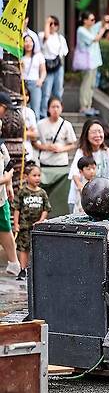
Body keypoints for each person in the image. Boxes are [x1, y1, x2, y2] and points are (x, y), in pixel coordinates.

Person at [13, 164, 51, 280]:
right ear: (26, 177)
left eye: (39, 175)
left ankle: (36, 269)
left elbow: (46, 209)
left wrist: (41, 221)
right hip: (25, 227)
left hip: (37, 228)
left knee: (38, 248)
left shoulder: (42, 193)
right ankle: (23, 269)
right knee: (24, 249)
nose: (37, 178)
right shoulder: (22, 192)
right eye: (34, 175)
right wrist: (16, 224)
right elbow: (17, 209)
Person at [68, 118, 109, 213]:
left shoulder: (107, 152)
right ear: (86, 134)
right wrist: (82, 188)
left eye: (100, 132)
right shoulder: (81, 152)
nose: (97, 135)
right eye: (93, 132)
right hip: (82, 198)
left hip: (102, 196)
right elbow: (75, 173)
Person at [76, 12, 109, 116]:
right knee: (86, 83)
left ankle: (88, 106)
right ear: (84, 20)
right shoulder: (81, 30)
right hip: (87, 61)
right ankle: (83, 106)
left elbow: (100, 23)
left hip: (94, 61)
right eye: (91, 20)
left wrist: (105, 20)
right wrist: (104, 29)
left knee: (91, 85)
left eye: (94, 19)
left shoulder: (91, 28)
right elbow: (95, 39)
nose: (93, 22)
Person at [0, 93, 20, 276]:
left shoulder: (1, 139)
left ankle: (14, 262)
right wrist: (5, 180)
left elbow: (7, 163)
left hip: (0, 196)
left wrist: (7, 184)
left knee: (5, 226)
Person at [39, 15, 68, 118]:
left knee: (58, 90)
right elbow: (45, 39)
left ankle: (57, 113)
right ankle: (43, 114)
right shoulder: (42, 35)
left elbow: (64, 52)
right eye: (50, 24)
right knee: (46, 92)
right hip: (46, 66)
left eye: (55, 24)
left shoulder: (60, 38)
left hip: (57, 66)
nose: (52, 26)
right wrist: (47, 23)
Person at [35, 97, 77, 167]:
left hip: (61, 162)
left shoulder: (67, 125)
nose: (55, 110)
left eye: (58, 107)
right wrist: (47, 147)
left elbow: (73, 144)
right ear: (48, 109)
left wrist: (61, 149)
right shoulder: (40, 124)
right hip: (45, 161)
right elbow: (35, 142)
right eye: (53, 107)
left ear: (61, 108)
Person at [21, 35, 46, 120]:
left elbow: (43, 71)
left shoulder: (39, 56)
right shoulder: (20, 57)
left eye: (30, 41)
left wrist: (41, 80)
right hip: (23, 83)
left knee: (36, 109)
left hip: (35, 83)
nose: (28, 44)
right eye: (26, 41)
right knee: (23, 108)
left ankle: (36, 131)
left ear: (33, 43)